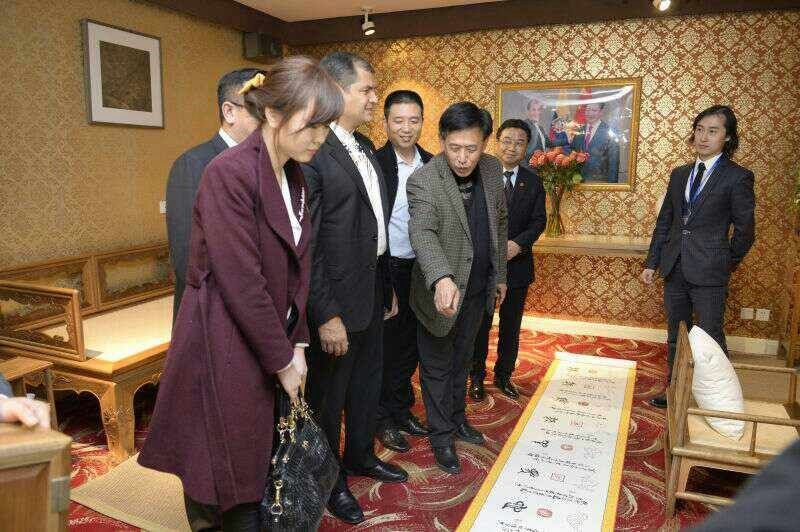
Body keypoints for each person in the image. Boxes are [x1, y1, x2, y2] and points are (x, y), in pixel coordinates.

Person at [138, 57, 343, 531]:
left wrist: (298, 341)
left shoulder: (292, 174)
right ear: (272, 113)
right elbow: (241, 280)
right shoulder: (228, 172)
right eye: (312, 124)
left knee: (262, 465)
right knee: (229, 474)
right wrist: (282, 359)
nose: (320, 137)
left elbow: (298, 267)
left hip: (271, 338)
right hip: (227, 339)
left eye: (326, 126)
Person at [302, 52, 406, 525]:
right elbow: (309, 246)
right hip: (336, 305)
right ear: (336, 90)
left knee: (367, 386)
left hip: (372, 294)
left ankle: (361, 454)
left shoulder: (363, 144)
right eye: (366, 90)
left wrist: (387, 287)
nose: (373, 98)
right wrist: (326, 314)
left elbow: (373, 227)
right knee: (329, 399)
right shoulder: (314, 150)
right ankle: (330, 481)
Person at [407, 101, 507, 475]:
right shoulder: (424, 180)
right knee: (436, 367)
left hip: (478, 289)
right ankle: (441, 437)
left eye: (471, 149)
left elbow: (500, 223)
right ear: (442, 140)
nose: (463, 158)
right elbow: (423, 231)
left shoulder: (492, 170)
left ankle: (457, 418)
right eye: (454, 148)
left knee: (463, 360)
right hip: (440, 294)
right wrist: (441, 277)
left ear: (485, 144)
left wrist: (500, 276)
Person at [642, 105, 755, 409]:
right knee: (676, 335)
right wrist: (653, 262)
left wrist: (725, 263)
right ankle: (675, 391)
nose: (703, 137)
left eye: (713, 131)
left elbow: (746, 231)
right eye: (700, 130)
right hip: (675, 267)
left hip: (711, 272)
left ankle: (718, 402)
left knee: (710, 338)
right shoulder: (680, 174)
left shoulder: (737, 177)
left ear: (727, 137)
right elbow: (665, 222)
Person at [165, 68, 264, 320]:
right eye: (259, 111)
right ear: (229, 111)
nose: (270, 121)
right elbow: (189, 259)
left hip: (262, 309)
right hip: (214, 314)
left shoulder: (270, 163)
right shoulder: (194, 164)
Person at [374, 90, 434, 453]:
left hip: (423, 268)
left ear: (423, 122)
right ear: (385, 123)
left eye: (413, 120)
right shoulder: (375, 163)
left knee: (412, 344)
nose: (406, 128)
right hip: (389, 267)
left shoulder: (433, 164)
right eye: (398, 120)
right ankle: (381, 417)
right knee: (386, 348)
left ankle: (401, 409)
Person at [470, 119, 546, 401]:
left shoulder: (533, 181)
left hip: (517, 266)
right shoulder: (478, 175)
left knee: (510, 327)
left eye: (519, 143)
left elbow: (539, 221)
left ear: (526, 147)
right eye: (507, 141)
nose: (512, 147)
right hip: (483, 267)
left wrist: (518, 244)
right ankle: (476, 376)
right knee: (480, 326)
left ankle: (504, 376)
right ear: (496, 142)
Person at [570, 101, 620, 183]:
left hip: (600, 184)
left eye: (594, 110)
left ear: (601, 112)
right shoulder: (578, 131)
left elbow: (613, 164)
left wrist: (612, 187)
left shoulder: (610, 132)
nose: (590, 113)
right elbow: (572, 155)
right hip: (578, 184)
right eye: (587, 110)